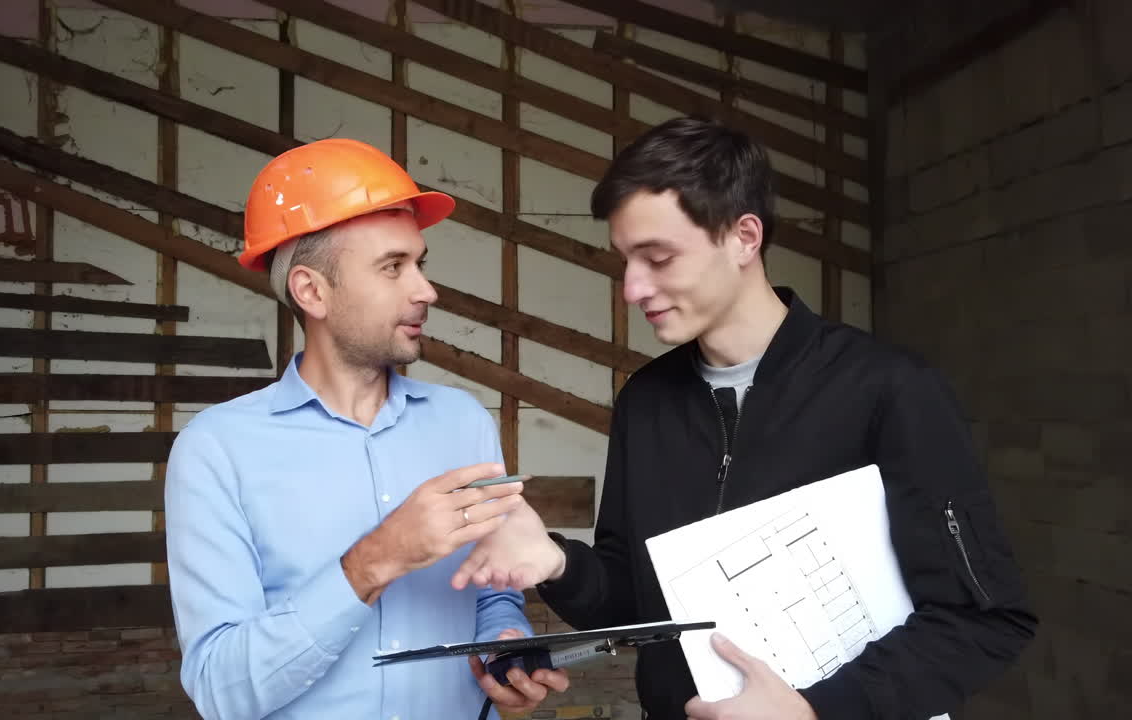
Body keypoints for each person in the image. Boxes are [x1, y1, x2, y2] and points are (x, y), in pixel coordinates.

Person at [451, 117, 1038, 720]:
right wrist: (558, 563)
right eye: (626, 260)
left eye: (658, 257)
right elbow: (640, 608)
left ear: (744, 237)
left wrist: (815, 712)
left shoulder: (888, 389)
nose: (631, 288)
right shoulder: (647, 402)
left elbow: (982, 621)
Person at [164, 137, 568, 720]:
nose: (425, 290)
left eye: (419, 263)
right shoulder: (217, 451)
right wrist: (376, 560)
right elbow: (222, 690)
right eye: (392, 268)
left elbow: (493, 588)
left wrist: (506, 641)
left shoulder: (463, 424)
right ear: (311, 291)